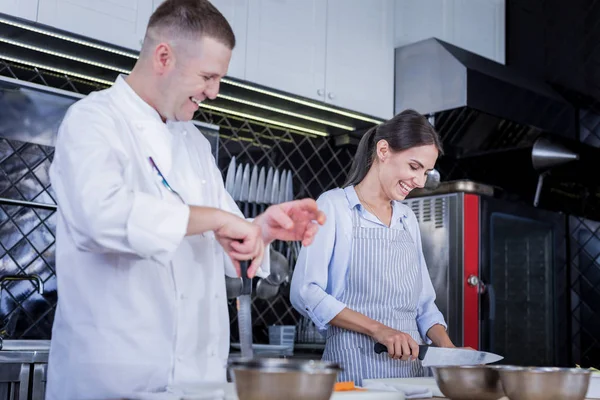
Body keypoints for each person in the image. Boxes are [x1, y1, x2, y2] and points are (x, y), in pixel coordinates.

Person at [45, 0, 325, 398]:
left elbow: (228, 247)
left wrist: (261, 229)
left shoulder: (193, 143)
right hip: (113, 384)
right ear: (164, 57)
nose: (214, 92)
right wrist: (217, 219)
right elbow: (100, 217)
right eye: (208, 76)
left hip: (197, 384)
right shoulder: (94, 120)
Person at [290, 109, 455, 386]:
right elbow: (305, 292)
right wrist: (379, 330)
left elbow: (424, 305)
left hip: (412, 376)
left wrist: (449, 352)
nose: (421, 182)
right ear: (383, 151)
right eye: (414, 167)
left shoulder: (407, 218)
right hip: (355, 373)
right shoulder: (334, 206)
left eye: (426, 172)